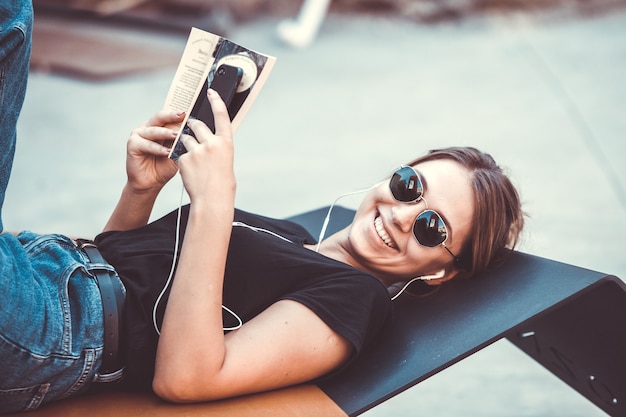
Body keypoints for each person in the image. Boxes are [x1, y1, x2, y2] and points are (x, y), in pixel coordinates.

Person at [0, 13, 524, 416]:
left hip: (50, 330)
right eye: (410, 186)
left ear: (439, 269)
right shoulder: (292, 236)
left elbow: (187, 378)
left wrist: (213, 202)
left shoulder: (356, 301)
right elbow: (122, 264)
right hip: (44, 271)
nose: (405, 216)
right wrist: (141, 190)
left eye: (434, 228)